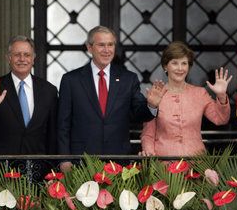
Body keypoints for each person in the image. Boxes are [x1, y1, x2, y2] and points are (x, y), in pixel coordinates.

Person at [57, 26, 164, 170]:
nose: (107, 50)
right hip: (81, 162)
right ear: (89, 47)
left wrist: (151, 105)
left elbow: (138, 114)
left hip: (118, 160)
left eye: (110, 45)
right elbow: (63, 124)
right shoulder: (71, 80)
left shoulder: (128, 79)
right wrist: (64, 159)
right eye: (101, 45)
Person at [140, 41, 232, 157]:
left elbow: (221, 119)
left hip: (197, 164)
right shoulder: (156, 94)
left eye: (184, 63)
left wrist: (222, 95)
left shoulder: (200, 93)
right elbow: (148, 134)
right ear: (165, 66)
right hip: (164, 166)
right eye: (175, 63)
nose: (180, 68)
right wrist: (149, 154)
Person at [0, 35, 58, 154]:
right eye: (17, 55)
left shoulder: (49, 90)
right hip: (3, 166)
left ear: (33, 58)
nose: (22, 59)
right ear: (8, 58)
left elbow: (53, 133)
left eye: (27, 55)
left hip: (38, 165)